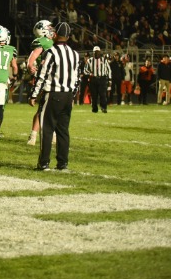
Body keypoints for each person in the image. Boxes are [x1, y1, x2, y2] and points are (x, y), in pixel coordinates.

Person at [28, 21, 80, 171]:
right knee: (63, 130)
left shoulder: (51, 52)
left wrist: (34, 94)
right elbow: (77, 78)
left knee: (47, 129)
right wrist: (73, 96)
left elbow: (42, 75)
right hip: (67, 95)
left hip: (53, 94)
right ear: (68, 37)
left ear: (55, 34)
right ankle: (62, 163)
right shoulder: (75, 54)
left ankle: (44, 163)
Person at [26, 20, 55, 146]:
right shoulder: (43, 41)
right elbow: (33, 56)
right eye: (49, 27)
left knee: (52, 109)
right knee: (43, 108)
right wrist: (30, 65)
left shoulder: (53, 41)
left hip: (55, 78)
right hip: (46, 79)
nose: (52, 29)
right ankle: (33, 135)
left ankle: (52, 134)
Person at [84, 46, 112, 113]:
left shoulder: (104, 60)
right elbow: (85, 70)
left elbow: (109, 70)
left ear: (99, 52)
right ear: (93, 53)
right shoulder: (90, 60)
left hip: (102, 79)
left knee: (103, 94)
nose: (96, 53)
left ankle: (103, 107)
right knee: (94, 95)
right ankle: (94, 108)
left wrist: (109, 79)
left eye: (97, 52)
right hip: (93, 79)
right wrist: (89, 74)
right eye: (95, 52)